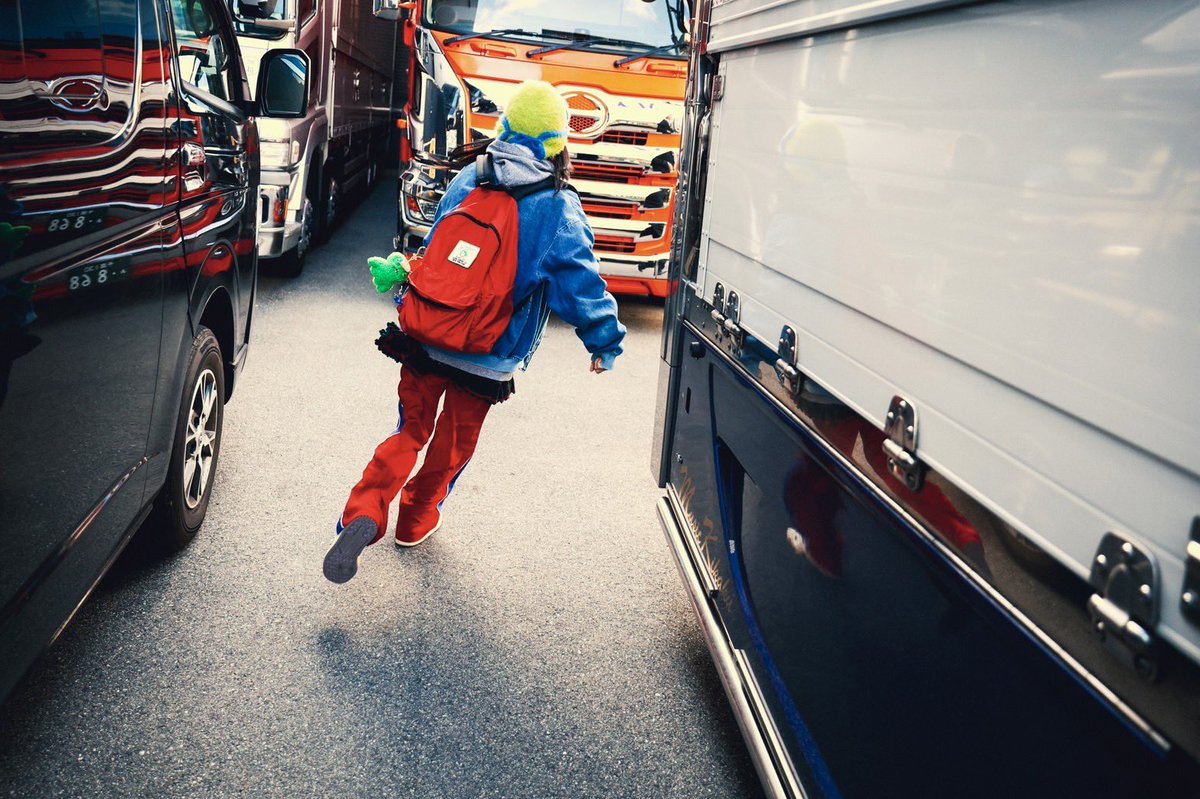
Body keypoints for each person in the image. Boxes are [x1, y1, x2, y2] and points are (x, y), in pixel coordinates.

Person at [323, 80, 626, 584]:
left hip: (428, 334)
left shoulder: (470, 175)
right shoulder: (556, 203)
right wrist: (604, 341)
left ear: (503, 127)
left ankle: (365, 510)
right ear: (557, 142)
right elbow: (581, 282)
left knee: (409, 431)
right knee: (452, 444)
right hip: (487, 352)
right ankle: (415, 518)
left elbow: (440, 250)